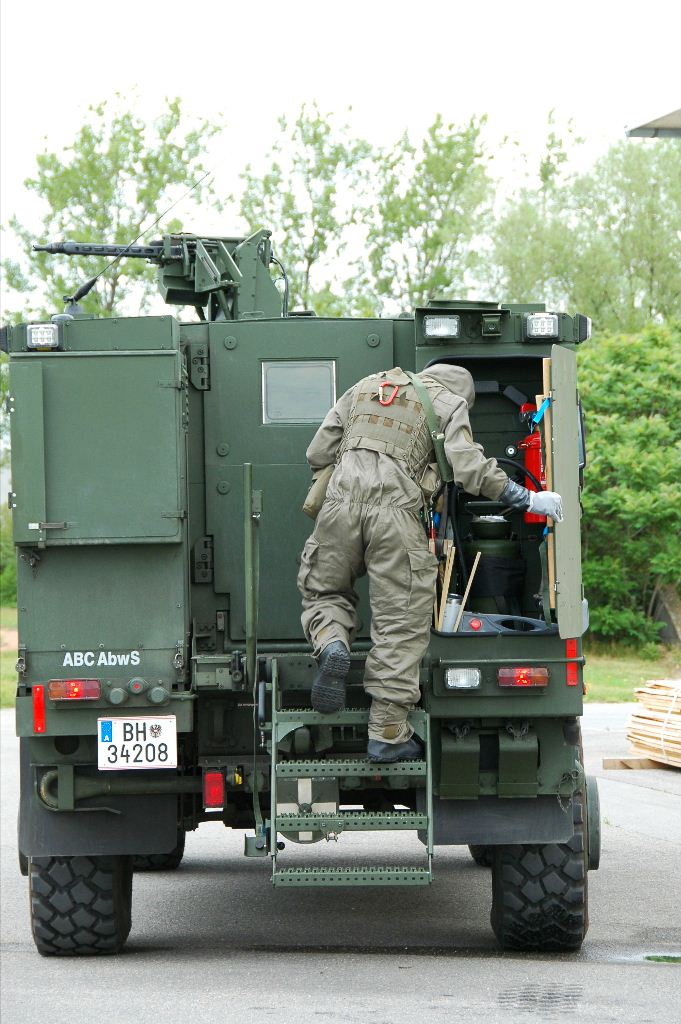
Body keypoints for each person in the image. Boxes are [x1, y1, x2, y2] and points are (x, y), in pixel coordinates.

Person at [297, 363, 563, 763]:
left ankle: (332, 644)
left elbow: (317, 452)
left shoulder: (366, 386)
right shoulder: (449, 403)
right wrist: (526, 498)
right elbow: (469, 467)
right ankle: (387, 733)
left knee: (325, 590)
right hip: (396, 517)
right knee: (400, 623)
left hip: (337, 509)